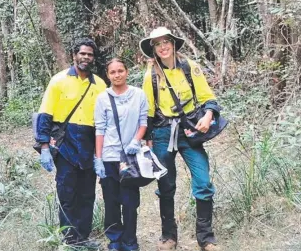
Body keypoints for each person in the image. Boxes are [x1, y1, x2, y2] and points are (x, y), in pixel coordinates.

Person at [140, 27, 222, 251]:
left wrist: (208, 115)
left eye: (166, 41)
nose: (163, 47)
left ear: (173, 43)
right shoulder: (151, 76)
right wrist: (147, 140)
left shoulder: (189, 67)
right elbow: (147, 111)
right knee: (165, 185)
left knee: (203, 181)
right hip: (162, 132)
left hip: (189, 131)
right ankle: (169, 236)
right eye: (157, 44)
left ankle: (205, 238)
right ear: (153, 49)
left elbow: (208, 98)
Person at [35, 38, 107, 249]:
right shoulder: (59, 80)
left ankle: (82, 237)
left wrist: (99, 154)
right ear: (74, 55)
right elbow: (45, 115)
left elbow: (104, 119)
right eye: (82, 53)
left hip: (89, 142)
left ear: (94, 58)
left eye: (90, 54)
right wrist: (44, 147)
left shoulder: (100, 84)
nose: (86, 57)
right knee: (67, 192)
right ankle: (69, 240)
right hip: (65, 142)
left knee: (87, 193)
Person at [93, 58, 148, 251]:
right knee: (111, 201)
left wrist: (136, 140)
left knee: (130, 202)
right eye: (113, 72)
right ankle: (114, 240)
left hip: (130, 158)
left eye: (120, 71)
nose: (117, 75)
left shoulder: (139, 94)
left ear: (127, 72)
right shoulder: (102, 98)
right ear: (107, 75)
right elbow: (99, 129)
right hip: (109, 156)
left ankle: (130, 241)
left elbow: (143, 122)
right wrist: (98, 158)